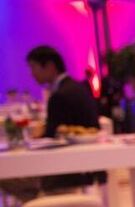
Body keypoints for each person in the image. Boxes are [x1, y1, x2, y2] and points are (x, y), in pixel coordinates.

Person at [24, 45, 103, 192]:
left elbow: (50, 135)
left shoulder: (59, 96)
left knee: (13, 178)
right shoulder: (78, 87)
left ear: (49, 66)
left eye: (33, 67)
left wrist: (35, 135)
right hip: (87, 166)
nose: (31, 74)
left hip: (67, 173)